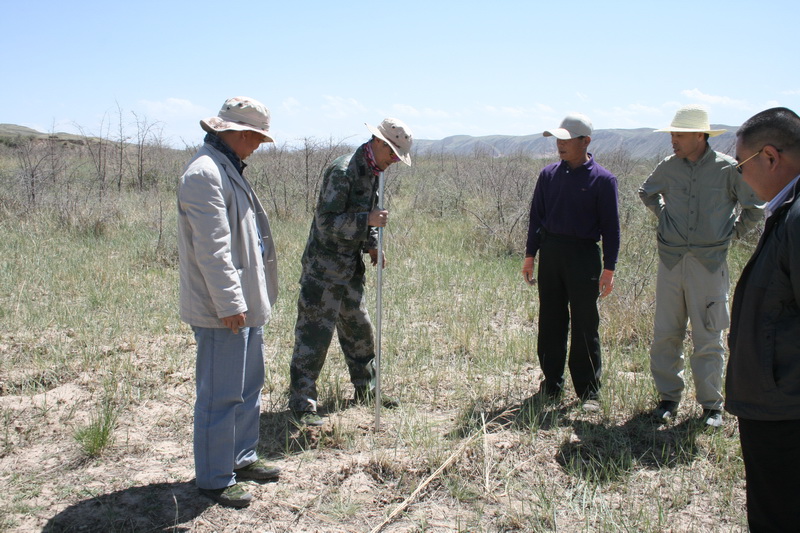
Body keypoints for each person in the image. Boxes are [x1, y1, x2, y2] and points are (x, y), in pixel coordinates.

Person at [177, 96, 281, 507]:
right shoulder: (204, 173)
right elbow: (214, 250)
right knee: (221, 393)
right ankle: (214, 477)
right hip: (224, 308)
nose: (257, 145)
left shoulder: (226, 166)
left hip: (243, 302)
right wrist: (229, 305)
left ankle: (241, 457)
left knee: (247, 385)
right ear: (236, 133)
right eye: (255, 137)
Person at [639, 105, 763, 427]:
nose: (673, 141)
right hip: (671, 262)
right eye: (673, 134)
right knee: (666, 334)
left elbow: (754, 207)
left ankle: (712, 407)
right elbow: (647, 193)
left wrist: (730, 234)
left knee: (709, 336)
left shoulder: (727, 169)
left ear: (699, 136)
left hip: (709, 265)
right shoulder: (668, 167)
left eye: (679, 135)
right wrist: (665, 218)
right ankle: (668, 399)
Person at [289, 118, 413, 426]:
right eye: (393, 155)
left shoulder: (374, 172)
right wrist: (367, 221)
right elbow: (326, 223)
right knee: (314, 335)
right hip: (324, 270)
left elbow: (360, 216)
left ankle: (366, 390)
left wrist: (370, 243)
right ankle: (302, 403)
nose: (393, 162)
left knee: (359, 329)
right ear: (380, 143)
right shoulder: (343, 171)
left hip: (350, 268)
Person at [726, 107, 800, 531]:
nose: (740, 175)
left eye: (742, 165)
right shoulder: (787, 210)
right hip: (777, 400)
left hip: (786, 409)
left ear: (770, 157)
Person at [522, 113, 620, 410]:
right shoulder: (548, 175)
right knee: (550, 320)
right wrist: (530, 256)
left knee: (584, 323)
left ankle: (588, 391)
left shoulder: (603, 180)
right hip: (551, 253)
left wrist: (609, 268)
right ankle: (551, 384)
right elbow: (536, 218)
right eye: (557, 139)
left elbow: (611, 227)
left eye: (566, 140)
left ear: (585, 141)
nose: (560, 145)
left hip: (584, 256)